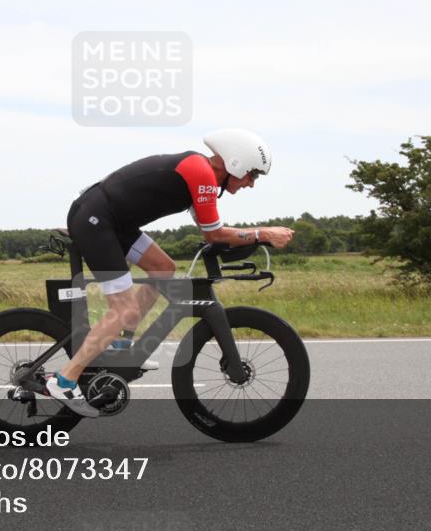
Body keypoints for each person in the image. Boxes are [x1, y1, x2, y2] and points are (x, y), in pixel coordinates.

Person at [46, 129, 295, 416]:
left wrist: (254, 237)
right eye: (252, 175)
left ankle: (120, 345)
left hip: (113, 223)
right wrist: (263, 232)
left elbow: (210, 230)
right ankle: (65, 379)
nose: (251, 184)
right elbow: (214, 234)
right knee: (124, 308)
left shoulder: (202, 176)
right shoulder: (200, 173)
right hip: (97, 221)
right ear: (236, 163)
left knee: (163, 269)